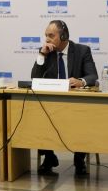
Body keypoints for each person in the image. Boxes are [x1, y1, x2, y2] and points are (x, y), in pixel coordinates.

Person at [31, 19, 98, 177]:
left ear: (64, 36)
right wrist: (41, 54)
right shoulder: (46, 52)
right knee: (40, 115)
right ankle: (49, 157)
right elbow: (34, 78)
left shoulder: (82, 51)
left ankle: (79, 159)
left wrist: (81, 81)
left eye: (51, 35)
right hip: (52, 104)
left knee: (82, 118)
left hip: (76, 103)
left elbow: (92, 76)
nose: (47, 39)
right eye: (46, 35)